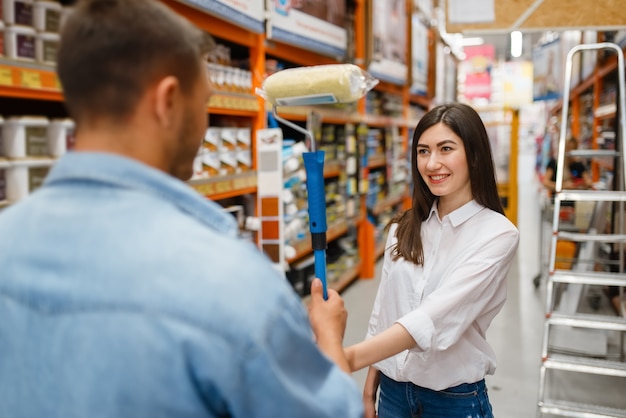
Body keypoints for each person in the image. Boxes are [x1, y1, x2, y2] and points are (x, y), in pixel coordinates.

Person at [0, 1, 363, 417]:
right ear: (167, 100)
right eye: (203, 101)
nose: (206, 122)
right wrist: (330, 339)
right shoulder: (229, 282)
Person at [344, 103, 520, 418]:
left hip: (453, 401)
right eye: (423, 151)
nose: (432, 163)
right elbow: (384, 312)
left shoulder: (497, 235)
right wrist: (369, 389)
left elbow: (432, 319)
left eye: (446, 148)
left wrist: (346, 358)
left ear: (475, 155)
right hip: (393, 395)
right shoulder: (404, 226)